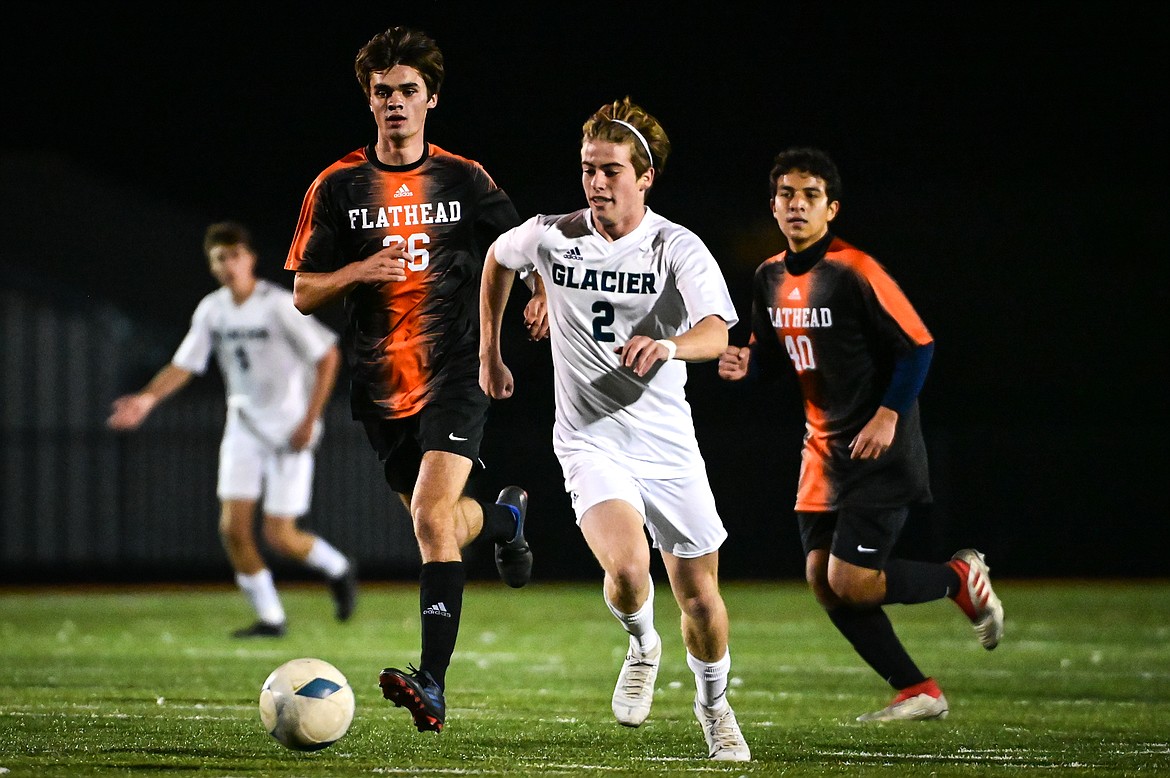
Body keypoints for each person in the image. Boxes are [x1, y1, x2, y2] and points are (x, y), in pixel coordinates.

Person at [481, 97, 750, 762]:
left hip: (666, 444)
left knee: (700, 596)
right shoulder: (553, 231)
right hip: (589, 437)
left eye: (611, 171)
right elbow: (497, 259)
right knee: (628, 570)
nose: (597, 183)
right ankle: (641, 644)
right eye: (588, 169)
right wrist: (490, 348)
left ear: (645, 177)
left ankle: (713, 707)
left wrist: (669, 347)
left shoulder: (675, 245)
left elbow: (717, 332)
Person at [284, 26, 533, 735]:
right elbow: (303, 291)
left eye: (408, 91)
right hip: (381, 384)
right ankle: (506, 517)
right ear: (368, 101)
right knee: (446, 525)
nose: (395, 102)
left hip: (457, 371)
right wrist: (361, 270)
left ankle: (433, 682)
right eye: (382, 91)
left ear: (431, 100)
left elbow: (518, 245)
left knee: (428, 519)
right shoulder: (336, 185)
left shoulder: (464, 177)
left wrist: (540, 289)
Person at [717, 147, 1004, 721]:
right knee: (823, 583)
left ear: (832, 208)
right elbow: (773, 358)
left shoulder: (855, 270)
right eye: (787, 195)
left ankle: (957, 578)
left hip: (878, 449)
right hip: (821, 452)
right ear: (772, 206)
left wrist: (888, 414)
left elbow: (918, 345)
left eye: (811, 195)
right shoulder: (768, 276)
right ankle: (917, 690)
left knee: (850, 579)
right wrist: (746, 364)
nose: (797, 205)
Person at [107, 221, 355, 638]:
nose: (228, 265)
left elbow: (328, 355)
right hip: (243, 426)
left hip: (289, 428)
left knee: (280, 535)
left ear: (250, 259)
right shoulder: (212, 309)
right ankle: (271, 618)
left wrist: (310, 418)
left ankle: (339, 568)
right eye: (220, 258)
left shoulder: (276, 304)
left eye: (235, 255)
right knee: (232, 530)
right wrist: (147, 398)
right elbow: (185, 363)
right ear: (212, 264)